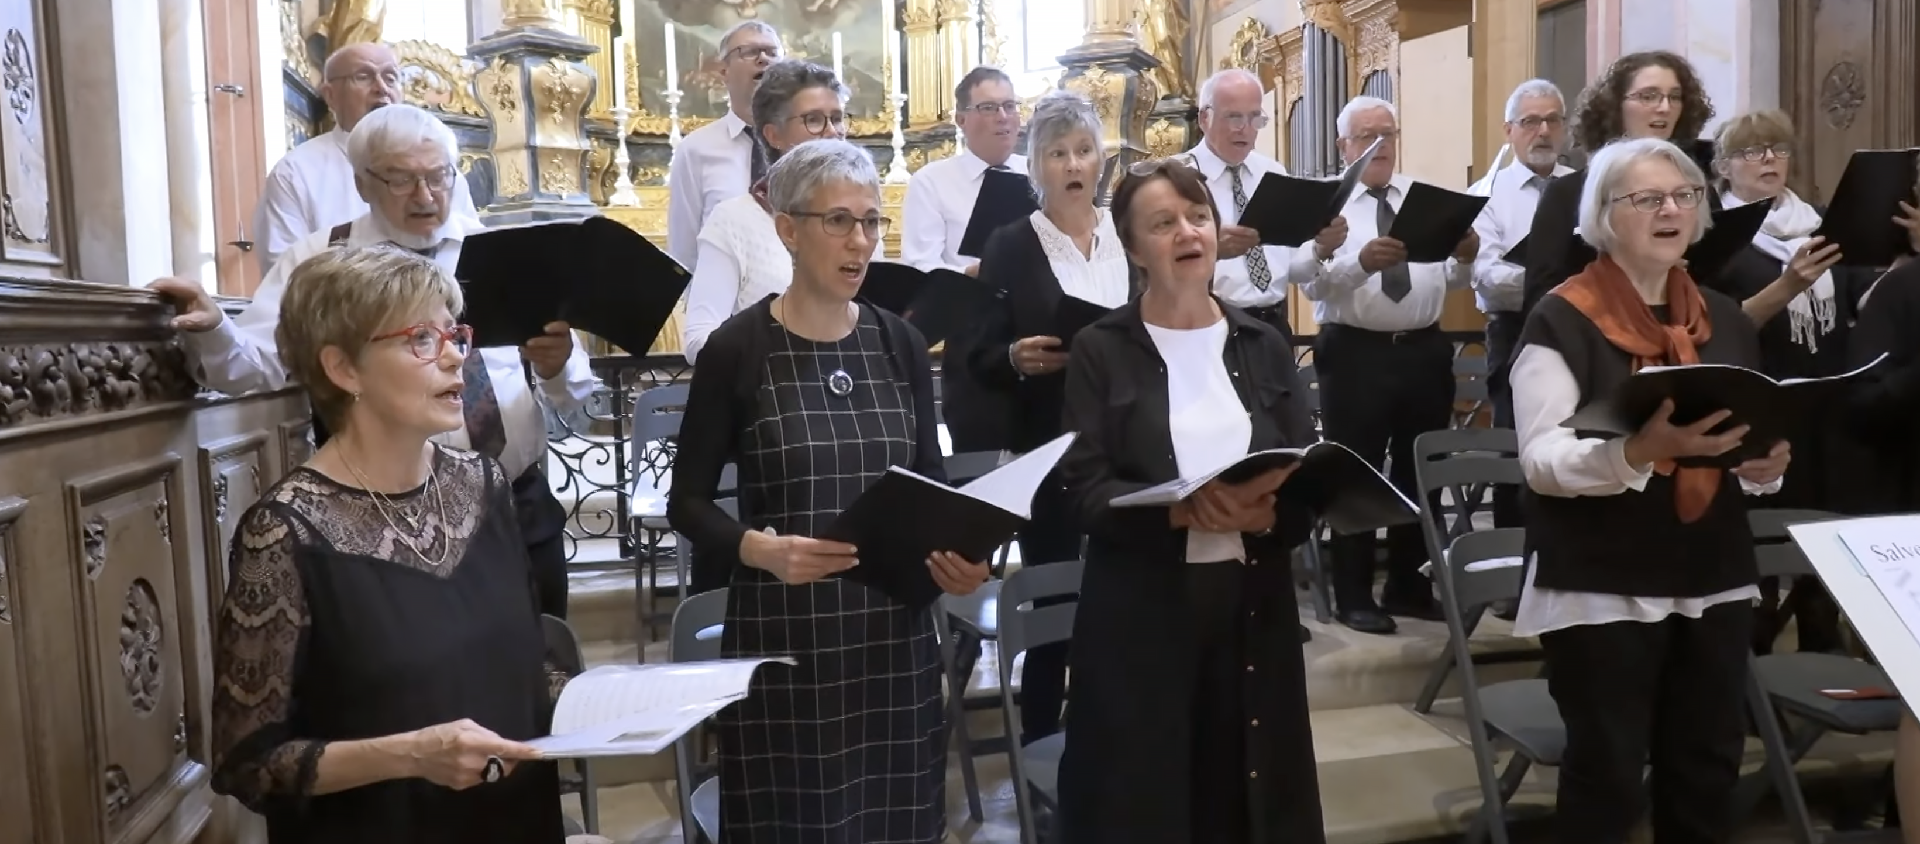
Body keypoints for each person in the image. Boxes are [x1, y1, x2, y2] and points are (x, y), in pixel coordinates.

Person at [149, 104, 596, 621]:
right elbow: (253, 367)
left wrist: (557, 365)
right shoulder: (321, 260)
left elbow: (571, 395)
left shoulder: (510, 251)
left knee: (536, 663)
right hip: (375, 514)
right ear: (363, 184)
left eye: (437, 177)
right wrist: (214, 330)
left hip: (514, 505)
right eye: (402, 180)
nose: (426, 196)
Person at [664, 139, 990, 844]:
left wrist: (960, 560)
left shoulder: (898, 343)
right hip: (787, 636)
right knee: (795, 824)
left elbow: (929, 483)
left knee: (895, 822)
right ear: (788, 228)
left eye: (872, 222)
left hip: (893, 635)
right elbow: (684, 502)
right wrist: (756, 547)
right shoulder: (738, 350)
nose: (861, 241)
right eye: (838, 221)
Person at [209, 246, 561, 843]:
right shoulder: (285, 531)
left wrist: (601, 704)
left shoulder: (485, 484)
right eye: (422, 339)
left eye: (454, 335)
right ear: (344, 369)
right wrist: (410, 756)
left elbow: (519, 666)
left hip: (516, 821)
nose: (455, 358)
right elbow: (249, 763)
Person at [1510, 138, 1790, 844]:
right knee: (1607, 772)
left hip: (1711, 570)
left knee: (1707, 763)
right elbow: (1542, 461)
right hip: (1601, 576)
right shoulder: (1561, 317)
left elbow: (1741, 437)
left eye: (1684, 196)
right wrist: (1635, 453)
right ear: (1605, 215)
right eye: (1648, 199)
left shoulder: (1723, 318)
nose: (1671, 210)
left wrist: (1765, 465)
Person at [1054, 156, 1323, 844]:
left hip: (1253, 605)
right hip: (1141, 617)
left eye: (1198, 216)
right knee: (1151, 801)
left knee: (1248, 796)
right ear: (1133, 245)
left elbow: (1307, 478)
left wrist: (1272, 514)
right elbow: (1082, 492)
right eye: (1164, 222)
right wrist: (1180, 510)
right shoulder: (1100, 350)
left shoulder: (1263, 343)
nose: (1187, 232)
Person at [965, 90, 1130, 745]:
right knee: (1057, 597)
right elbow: (976, 349)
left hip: (1129, 443)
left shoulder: (1129, 233)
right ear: (1035, 165)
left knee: (1124, 596)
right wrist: (1012, 355)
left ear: (1100, 159)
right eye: (1057, 152)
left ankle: (1112, 731)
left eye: (1084, 150)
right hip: (1049, 446)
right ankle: (1038, 735)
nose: (1072, 164)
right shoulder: (1009, 244)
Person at [1299, 96, 1478, 634]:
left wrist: (1464, 257)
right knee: (1357, 473)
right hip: (1355, 352)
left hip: (1423, 348)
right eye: (1366, 136)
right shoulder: (1329, 204)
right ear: (1343, 146)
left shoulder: (1420, 198)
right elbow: (1310, 282)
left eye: (1388, 134)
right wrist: (1358, 263)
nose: (1379, 145)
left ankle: (1409, 582)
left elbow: (1448, 279)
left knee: (1419, 470)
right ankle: (1353, 591)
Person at [680, 59, 852, 366]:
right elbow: (698, 342)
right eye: (814, 120)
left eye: (837, 118)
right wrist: (787, 341)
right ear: (774, 135)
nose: (832, 132)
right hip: (769, 398)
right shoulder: (733, 221)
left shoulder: (860, 219)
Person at [253, 43, 480, 273]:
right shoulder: (295, 173)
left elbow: (471, 252)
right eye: (363, 77)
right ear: (330, 95)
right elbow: (286, 282)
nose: (381, 88)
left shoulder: (443, 173)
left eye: (390, 78)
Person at [1522, 51, 1715, 318]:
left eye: (1674, 97)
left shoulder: (1695, 188)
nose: (1664, 107)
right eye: (1649, 96)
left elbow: (1721, 282)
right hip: (1595, 334)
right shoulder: (1567, 193)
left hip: (1686, 327)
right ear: (1614, 106)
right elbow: (1539, 298)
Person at [899, 65, 1028, 454]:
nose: (1003, 117)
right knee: (982, 459)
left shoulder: (1037, 172)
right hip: (973, 339)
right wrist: (973, 272)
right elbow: (919, 268)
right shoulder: (933, 181)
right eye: (989, 107)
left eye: (1010, 106)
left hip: (1034, 329)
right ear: (961, 119)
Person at [1471, 79, 1573, 523]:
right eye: (1530, 122)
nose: (1543, 131)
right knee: (1516, 442)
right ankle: (1510, 561)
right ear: (1508, 130)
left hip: (1583, 329)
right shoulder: (1487, 193)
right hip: (1515, 331)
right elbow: (1488, 276)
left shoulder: (1586, 187)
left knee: (1579, 438)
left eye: (1552, 120)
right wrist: (1556, 281)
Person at [1185, 68, 1346, 344]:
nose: (1244, 129)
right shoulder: (1178, 177)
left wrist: (1321, 248)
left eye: (1255, 118)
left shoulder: (1272, 172)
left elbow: (1291, 268)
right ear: (1204, 118)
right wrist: (1211, 251)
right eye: (1233, 116)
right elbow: (1155, 266)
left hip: (1273, 326)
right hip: (1208, 327)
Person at [665, 20, 783, 269]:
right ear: (723, 71)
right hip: (725, 302)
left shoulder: (804, 141)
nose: (764, 59)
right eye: (750, 52)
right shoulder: (696, 150)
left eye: (772, 52)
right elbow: (684, 249)